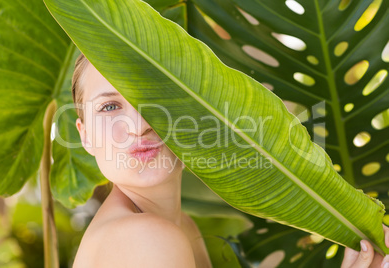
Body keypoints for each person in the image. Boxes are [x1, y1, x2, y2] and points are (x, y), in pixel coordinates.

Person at [70, 53, 389, 268]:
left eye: (155, 100)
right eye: (109, 108)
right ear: (84, 135)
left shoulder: (179, 226)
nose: (140, 125)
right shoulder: (145, 236)